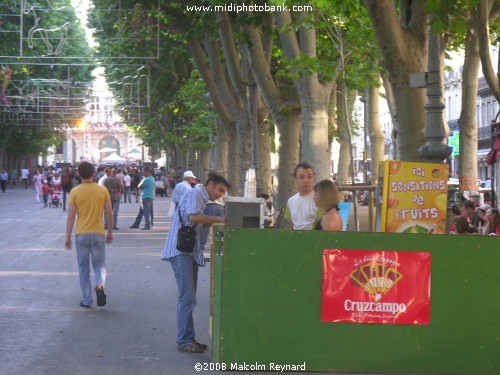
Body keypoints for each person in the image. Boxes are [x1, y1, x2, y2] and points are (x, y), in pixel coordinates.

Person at [161, 173, 230, 353]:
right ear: (211, 184)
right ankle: (183, 340)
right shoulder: (196, 194)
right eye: (220, 190)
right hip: (181, 252)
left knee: (189, 298)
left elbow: (197, 222)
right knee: (187, 298)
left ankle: (188, 338)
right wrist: (218, 219)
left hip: (189, 253)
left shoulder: (200, 197)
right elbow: (193, 217)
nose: (220, 194)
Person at [65, 161, 113, 308]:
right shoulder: (102, 190)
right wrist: (110, 232)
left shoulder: (75, 192)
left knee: (83, 267)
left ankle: (86, 300)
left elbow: (72, 216)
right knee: (99, 264)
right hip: (98, 233)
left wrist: (67, 236)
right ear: (93, 173)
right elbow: (109, 213)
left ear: (78, 174)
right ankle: (99, 285)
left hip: (82, 234)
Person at [284, 162, 320, 230]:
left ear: (313, 178)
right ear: (295, 178)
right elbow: (291, 224)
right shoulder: (290, 201)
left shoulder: (320, 199)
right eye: (301, 177)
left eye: (309, 177)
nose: (306, 181)